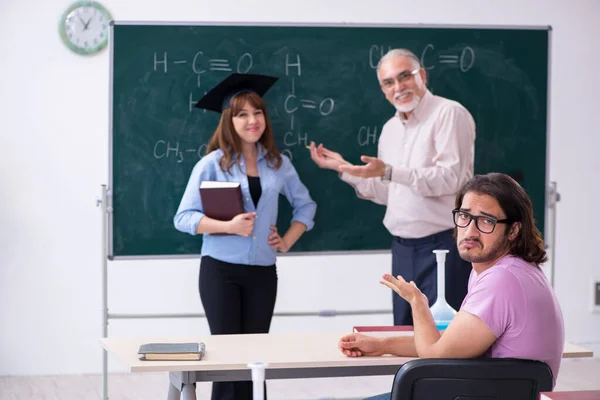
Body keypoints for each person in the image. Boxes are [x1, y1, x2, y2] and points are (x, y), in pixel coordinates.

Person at [338, 172, 565, 399]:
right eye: (464, 216)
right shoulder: (510, 269)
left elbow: (435, 355)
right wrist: (382, 345)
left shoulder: (502, 279)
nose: (470, 231)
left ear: (513, 230)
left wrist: (418, 303)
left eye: (486, 221)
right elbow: (450, 343)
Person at [173, 73, 317, 400]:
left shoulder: (278, 164)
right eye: (242, 114)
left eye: (257, 112)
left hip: (263, 273)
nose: (252, 121)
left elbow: (306, 204)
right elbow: (183, 218)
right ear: (229, 120)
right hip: (220, 271)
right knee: (227, 359)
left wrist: (290, 237)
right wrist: (229, 226)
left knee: (255, 359)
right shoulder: (212, 165)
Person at [309, 48, 476, 325]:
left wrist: (388, 171)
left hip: (442, 247)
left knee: (443, 338)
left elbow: (452, 179)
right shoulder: (390, 129)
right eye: (389, 82)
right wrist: (343, 168)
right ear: (383, 90)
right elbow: (391, 192)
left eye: (405, 77)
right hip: (402, 251)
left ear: (421, 75)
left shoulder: (449, 114)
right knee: (404, 333)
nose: (398, 87)